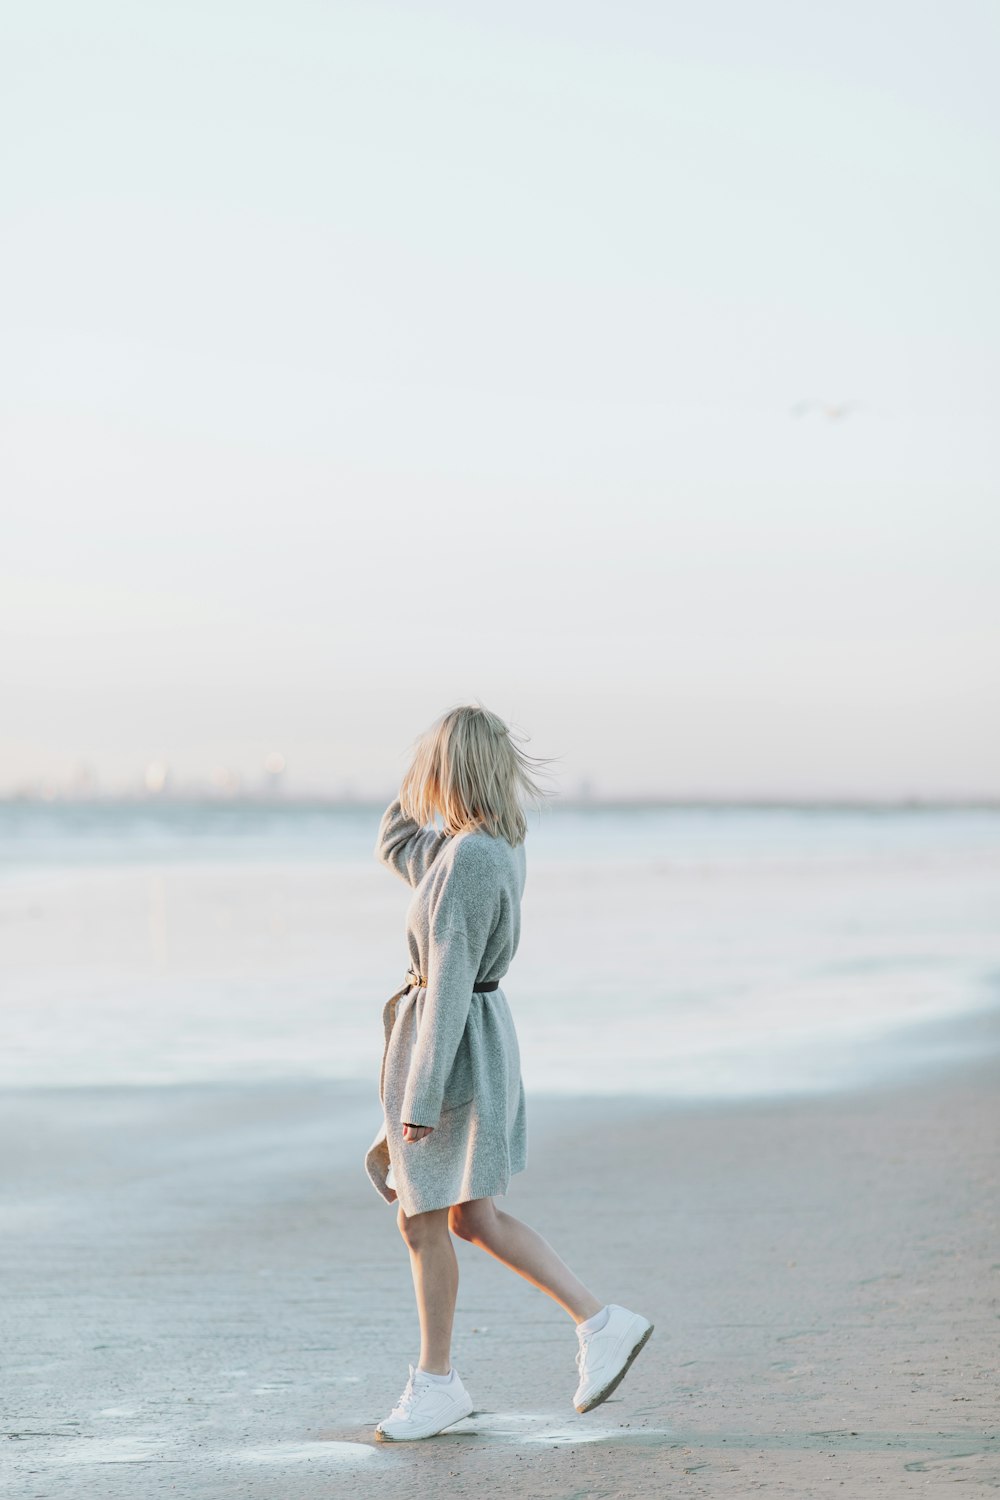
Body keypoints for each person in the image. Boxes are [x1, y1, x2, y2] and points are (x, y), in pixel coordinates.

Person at [364, 701, 653, 1441]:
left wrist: (422, 1096)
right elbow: (396, 840)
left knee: (424, 1219)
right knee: (466, 1216)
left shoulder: (470, 859)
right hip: (465, 1040)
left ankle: (437, 1384)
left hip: (452, 1047)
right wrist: (417, 769)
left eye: (432, 767)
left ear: (451, 772)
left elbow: (453, 978)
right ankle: (599, 1322)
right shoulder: (481, 844)